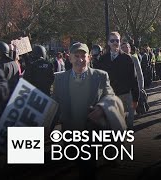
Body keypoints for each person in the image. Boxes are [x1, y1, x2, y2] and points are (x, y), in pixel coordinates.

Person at [52, 42, 126, 179]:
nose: (80, 59)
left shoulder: (101, 76)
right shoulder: (59, 79)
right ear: (70, 58)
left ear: (89, 58)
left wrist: (101, 107)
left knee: (87, 169)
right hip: (70, 133)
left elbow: (110, 95)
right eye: (76, 56)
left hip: (92, 133)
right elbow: (54, 105)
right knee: (78, 164)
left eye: (83, 56)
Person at [97, 32, 139, 129]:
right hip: (109, 96)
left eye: (117, 40)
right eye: (112, 40)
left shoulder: (127, 58)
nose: (115, 42)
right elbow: (99, 80)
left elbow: (133, 79)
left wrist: (135, 98)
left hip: (125, 96)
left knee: (127, 125)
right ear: (108, 42)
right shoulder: (102, 59)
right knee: (112, 125)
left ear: (120, 42)